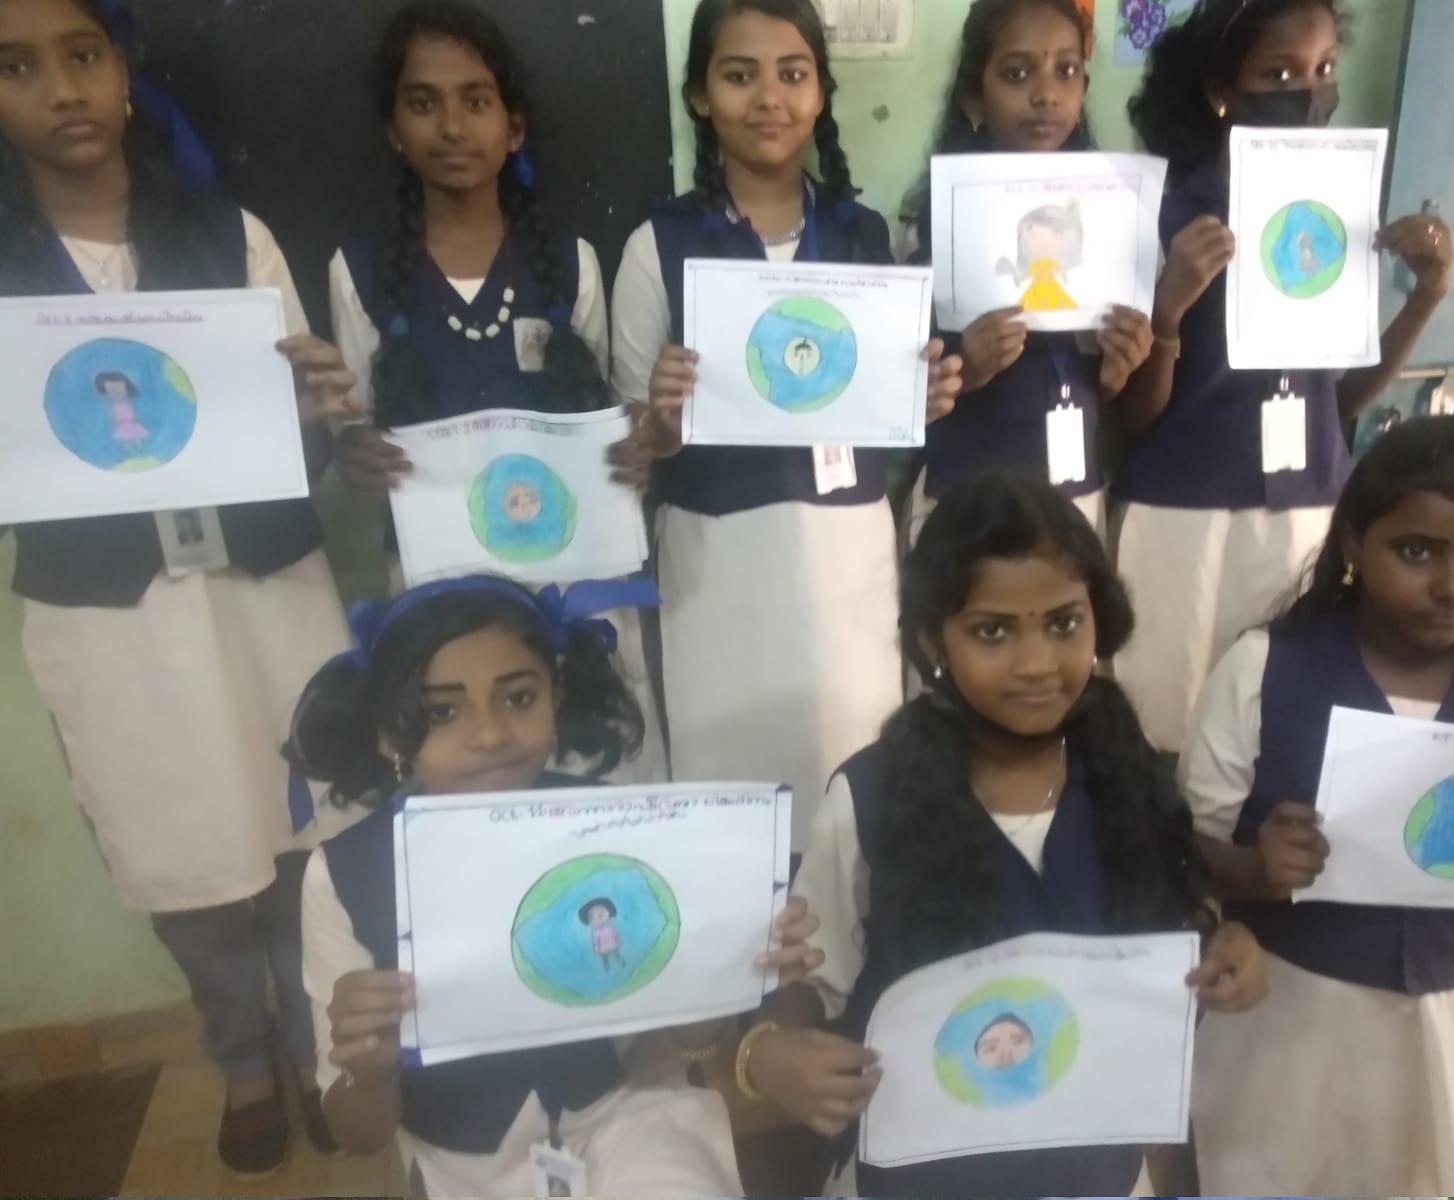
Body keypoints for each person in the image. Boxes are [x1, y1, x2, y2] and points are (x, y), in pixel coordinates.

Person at [0, 0, 362, 1175]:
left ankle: (315, 1047)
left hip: (264, 588)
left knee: (301, 830)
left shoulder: (231, 237)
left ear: (122, 71)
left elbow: (306, 441)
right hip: (112, 617)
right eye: (17, 67)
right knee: (179, 849)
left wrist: (316, 407)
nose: (61, 89)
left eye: (82, 56)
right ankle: (242, 1059)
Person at [737, 473, 1269, 1197]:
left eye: (1064, 624)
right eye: (993, 631)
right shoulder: (870, 796)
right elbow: (807, 977)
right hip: (923, 1175)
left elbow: (1176, 916)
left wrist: (1221, 945)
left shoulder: (1126, 771)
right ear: (934, 639)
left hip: (1098, 1170)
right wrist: (770, 1051)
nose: (1037, 663)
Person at [290, 574, 823, 1198]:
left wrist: (714, 982)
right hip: (462, 1161)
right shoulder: (342, 874)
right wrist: (372, 1070)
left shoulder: (626, 829)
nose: (490, 733)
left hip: (629, 1115)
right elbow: (358, 1134)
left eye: (518, 698)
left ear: (555, 695)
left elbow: (667, 1054)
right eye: (442, 711)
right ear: (387, 732)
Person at [1180, 414, 1454, 1195]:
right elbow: (1186, 846)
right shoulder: (1263, 669)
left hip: (1442, 1013)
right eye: (1416, 551)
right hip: (1287, 1008)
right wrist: (1254, 869)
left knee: (1417, 1174)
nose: (1453, 586)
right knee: (1267, 1174)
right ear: (1352, 546)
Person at [609, 0, 963, 848]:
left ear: (820, 93)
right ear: (701, 97)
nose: (769, 97)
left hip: (848, 553)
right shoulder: (658, 245)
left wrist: (923, 401)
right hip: (716, 561)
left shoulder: (863, 236)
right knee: (732, 803)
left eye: (792, 74)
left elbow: (887, 413)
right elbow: (629, 450)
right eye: (740, 76)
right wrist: (659, 423)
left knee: (853, 789)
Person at [328, 0, 667, 783]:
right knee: (471, 785)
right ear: (393, 130)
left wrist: (636, 452)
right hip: (435, 594)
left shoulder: (571, 264)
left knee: (593, 782)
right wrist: (354, 457)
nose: (451, 127)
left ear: (513, 129)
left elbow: (616, 424)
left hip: (572, 583)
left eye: (475, 101)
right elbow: (355, 433)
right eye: (423, 103)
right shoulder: (359, 273)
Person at [1114, 0, 1454, 752]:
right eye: (1278, 73)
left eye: (1324, 68)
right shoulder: (1164, 215)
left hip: (1308, 512)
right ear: (1221, 89)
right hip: (1183, 515)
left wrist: (1424, 300)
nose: (1307, 91)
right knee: (1162, 729)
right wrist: (1169, 307)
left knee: (1275, 731)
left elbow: (1338, 402)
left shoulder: (1337, 212)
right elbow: (1132, 416)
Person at [898, 0, 1155, 542]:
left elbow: (1114, 397)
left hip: (1074, 498)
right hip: (966, 503)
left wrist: (1117, 370)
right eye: (1017, 74)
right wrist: (966, 370)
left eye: (1066, 70)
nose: (1046, 95)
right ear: (974, 97)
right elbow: (900, 397)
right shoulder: (931, 232)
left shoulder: (1110, 225)